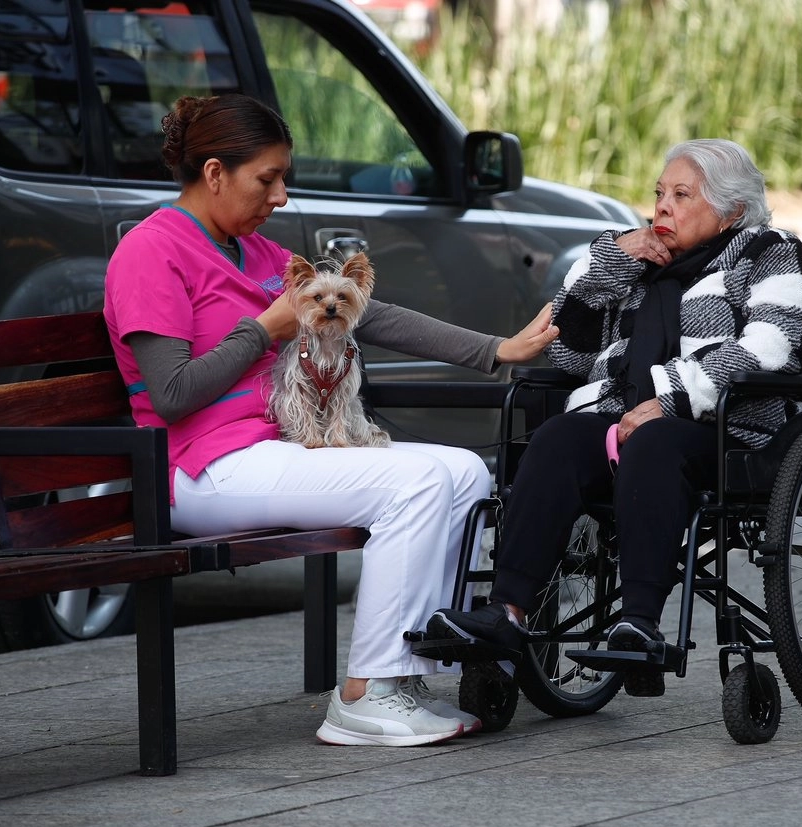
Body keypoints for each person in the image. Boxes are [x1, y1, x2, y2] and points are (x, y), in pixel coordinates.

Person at [103, 93, 558, 746]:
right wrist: (263, 330)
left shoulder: (252, 252)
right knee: (416, 483)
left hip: (272, 451)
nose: (282, 196)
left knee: (461, 471)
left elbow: (373, 314)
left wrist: (496, 351)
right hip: (200, 467)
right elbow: (172, 395)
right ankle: (364, 693)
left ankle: (402, 678)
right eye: (268, 179)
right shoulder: (151, 253)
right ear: (213, 174)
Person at [426, 139, 802, 697]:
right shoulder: (642, 263)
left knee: (656, 444)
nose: (661, 207)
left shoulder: (768, 252)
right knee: (559, 437)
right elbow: (570, 351)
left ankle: (638, 622)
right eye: (660, 193)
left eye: (682, 195)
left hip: (733, 433)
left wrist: (672, 396)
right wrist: (612, 261)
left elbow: (772, 345)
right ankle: (507, 613)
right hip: (624, 421)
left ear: (732, 210)